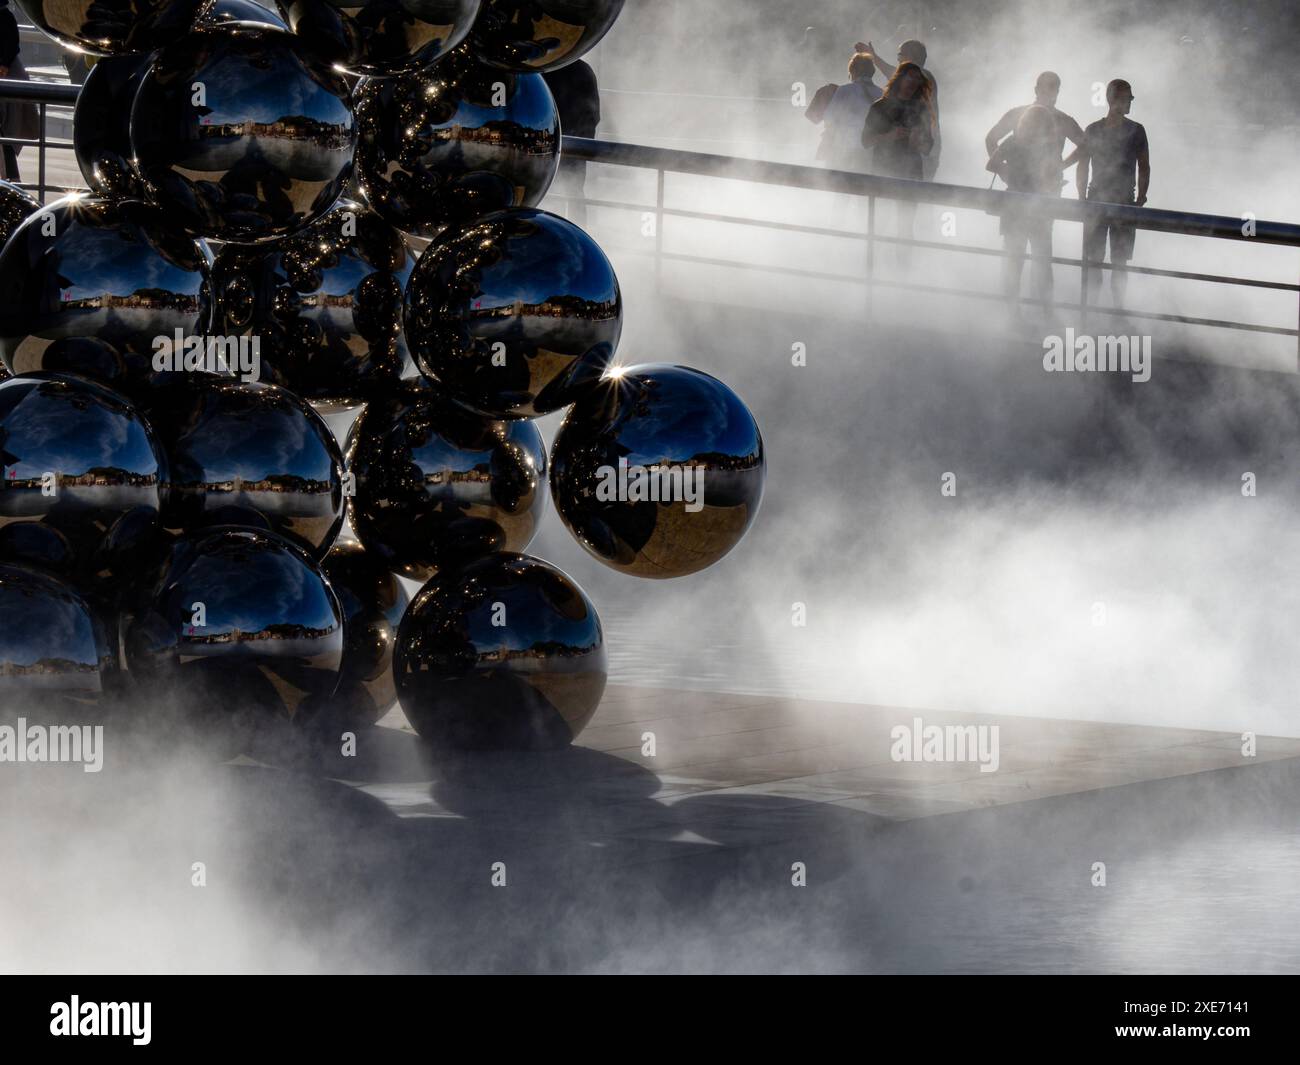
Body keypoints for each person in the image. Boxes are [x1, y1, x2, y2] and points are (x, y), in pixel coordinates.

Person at [1076, 79, 1150, 308]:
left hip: (1099, 201)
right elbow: (1144, 166)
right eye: (1128, 98)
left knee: (1100, 261)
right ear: (1114, 100)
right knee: (1117, 263)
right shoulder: (1135, 130)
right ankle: (1114, 311)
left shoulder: (1094, 129)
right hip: (1121, 202)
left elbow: (1083, 164)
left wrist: (1082, 197)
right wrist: (1140, 199)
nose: (1130, 103)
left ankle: (1093, 309)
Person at [861, 62, 934, 262]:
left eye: (917, 79)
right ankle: (874, 265)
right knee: (879, 224)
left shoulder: (921, 109)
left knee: (905, 226)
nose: (913, 82)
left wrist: (918, 141)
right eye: (910, 76)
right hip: (884, 170)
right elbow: (865, 141)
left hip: (910, 172)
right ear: (899, 79)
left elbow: (928, 147)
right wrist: (889, 136)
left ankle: (903, 270)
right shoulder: (880, 106)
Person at [994, 105, 1065, 308]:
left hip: (1015, 206)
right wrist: (1051, 185)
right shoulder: (1048, 147)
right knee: (1041, 261)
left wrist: (1009, 176)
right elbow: (1055, 176)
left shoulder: (1014, 141)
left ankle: (1012, 311)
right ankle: (1043, 310)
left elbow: (992, 164)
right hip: (1037, 208)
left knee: (1014, 262)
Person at [859, 38, 940, 179]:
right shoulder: (881, 105)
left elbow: (898, 74)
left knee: (915, 193)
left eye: (900, 55)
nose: (898, 60)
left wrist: (875, 58)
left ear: (912, 56)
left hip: (920, 156)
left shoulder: (924, 76)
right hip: (889, 165)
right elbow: (866, 140)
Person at [985, 71, 1085, 179]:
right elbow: (991, 138)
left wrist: (1061, 166)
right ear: (1036, 90)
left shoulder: (1063, 120)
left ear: (1057, 92)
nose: (1047, 93)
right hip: (1018, 185)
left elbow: (1086, 146)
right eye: (1044, 89)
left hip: (1049, 186)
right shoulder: (1017, 114)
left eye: (1051, 88)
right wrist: (1005, 172)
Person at [543, 59, 600, 227]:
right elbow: (593, 117)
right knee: (573, 196)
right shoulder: (583, 70)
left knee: (552, 196)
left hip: (547, 151)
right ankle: (577, 236)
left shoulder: (542, 73)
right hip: (574, 152)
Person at [817, 52, 881, 170]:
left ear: (852, 71)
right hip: (870, 148)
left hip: (844, 147)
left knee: (839, 182)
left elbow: (829, 117)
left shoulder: (845, 90)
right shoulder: (881, 93)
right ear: (872, 72)